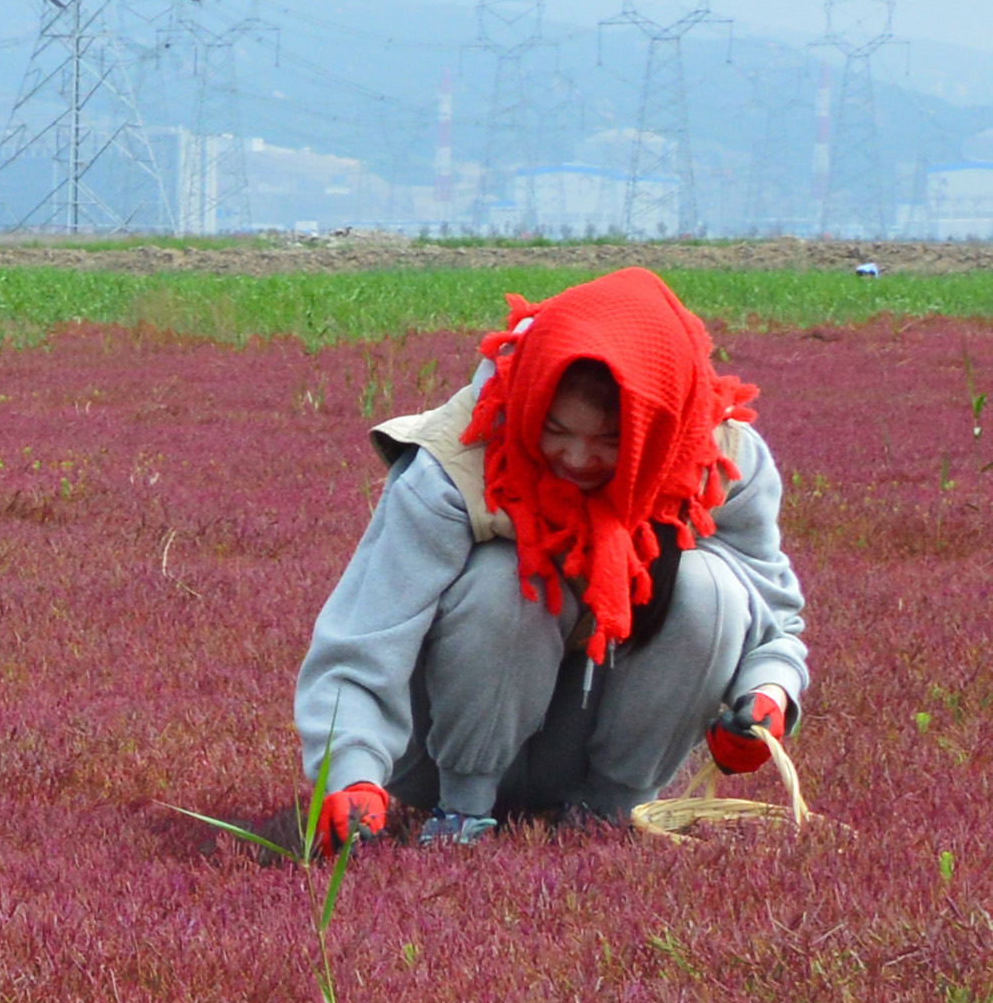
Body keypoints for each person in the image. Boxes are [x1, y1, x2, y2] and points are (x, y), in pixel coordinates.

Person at [295, 266, 809, 850]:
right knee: (505, 579)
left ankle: (610, 815)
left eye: (612, 440)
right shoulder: (454, 462)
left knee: (709, 589)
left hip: (598, 749)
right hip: (439, 753)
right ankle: (461, 816)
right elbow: (363, 641)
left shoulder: (717, 461)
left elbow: (774, 621)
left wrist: (768, 696)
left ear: (661, 428)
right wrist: (352, 771)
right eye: (555, 429)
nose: (576, 457)